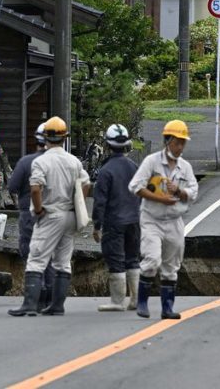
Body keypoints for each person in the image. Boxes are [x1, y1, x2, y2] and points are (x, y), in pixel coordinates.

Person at [8, 117, 92, 317]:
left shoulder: (41, 161)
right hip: (70, 214)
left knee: (36, 258)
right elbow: (86, 184)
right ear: (64, 137)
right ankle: (57, 305)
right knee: (63, 261)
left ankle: (29, 305)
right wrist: (78, 203)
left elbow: (35, 188)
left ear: (45, 137)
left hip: (50, 214)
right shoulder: (74, 161)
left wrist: (38, 210)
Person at [130, 120, 199, 320]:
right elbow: (135, 187)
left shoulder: (185, 167)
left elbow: (193, 192)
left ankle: (167, 308)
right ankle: (142, 303)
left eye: (183, 143)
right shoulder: (151, 162)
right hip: (152, 218)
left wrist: (179, 191)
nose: (180, 147)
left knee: (172, 266)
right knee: (151, 260)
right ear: (167, 141)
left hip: (175, 220)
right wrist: (160, 198)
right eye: (177, 142)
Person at [93, 124, 141, 312]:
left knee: (116, 259)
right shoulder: (134, 166)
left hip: (114, 221)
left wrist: (97, 225)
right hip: (135, 220)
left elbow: (99, 202)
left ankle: (117, 300)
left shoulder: (106, 170)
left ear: (107, 144)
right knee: (133, 258)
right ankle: (136, 298)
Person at [8, 123, 56, 311]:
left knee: (31, 254)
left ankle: (33, 300)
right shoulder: (63, 161)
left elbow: (12, 187)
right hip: (55, 215)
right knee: (50, 256)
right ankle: (50, 300)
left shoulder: (26, 162)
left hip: (30, 215)